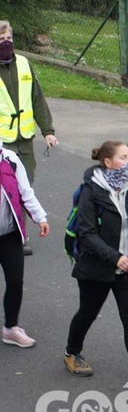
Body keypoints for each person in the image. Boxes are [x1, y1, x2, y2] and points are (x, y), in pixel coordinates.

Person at [63, 141, 128, 392]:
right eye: (124, 157)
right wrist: (114, 257)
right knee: (87, 313)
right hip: (97, 266)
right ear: (108, 162)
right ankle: (72, 352)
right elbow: (86, 233)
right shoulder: (90, 191)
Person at [0, 20, 58, 256]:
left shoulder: (24, 63)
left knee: (23, 187)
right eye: (1, 39)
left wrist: (48, 131)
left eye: (9, 39)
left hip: (24, 141)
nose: (6, 43)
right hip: (3, 142)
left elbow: (37, 99)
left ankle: (18, 236)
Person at [0, 141, 49, 347]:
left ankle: (11, 329)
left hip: (9, 233)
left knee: (15, 281)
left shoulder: (9, 159)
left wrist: (40, 217)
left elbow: (25, 191)